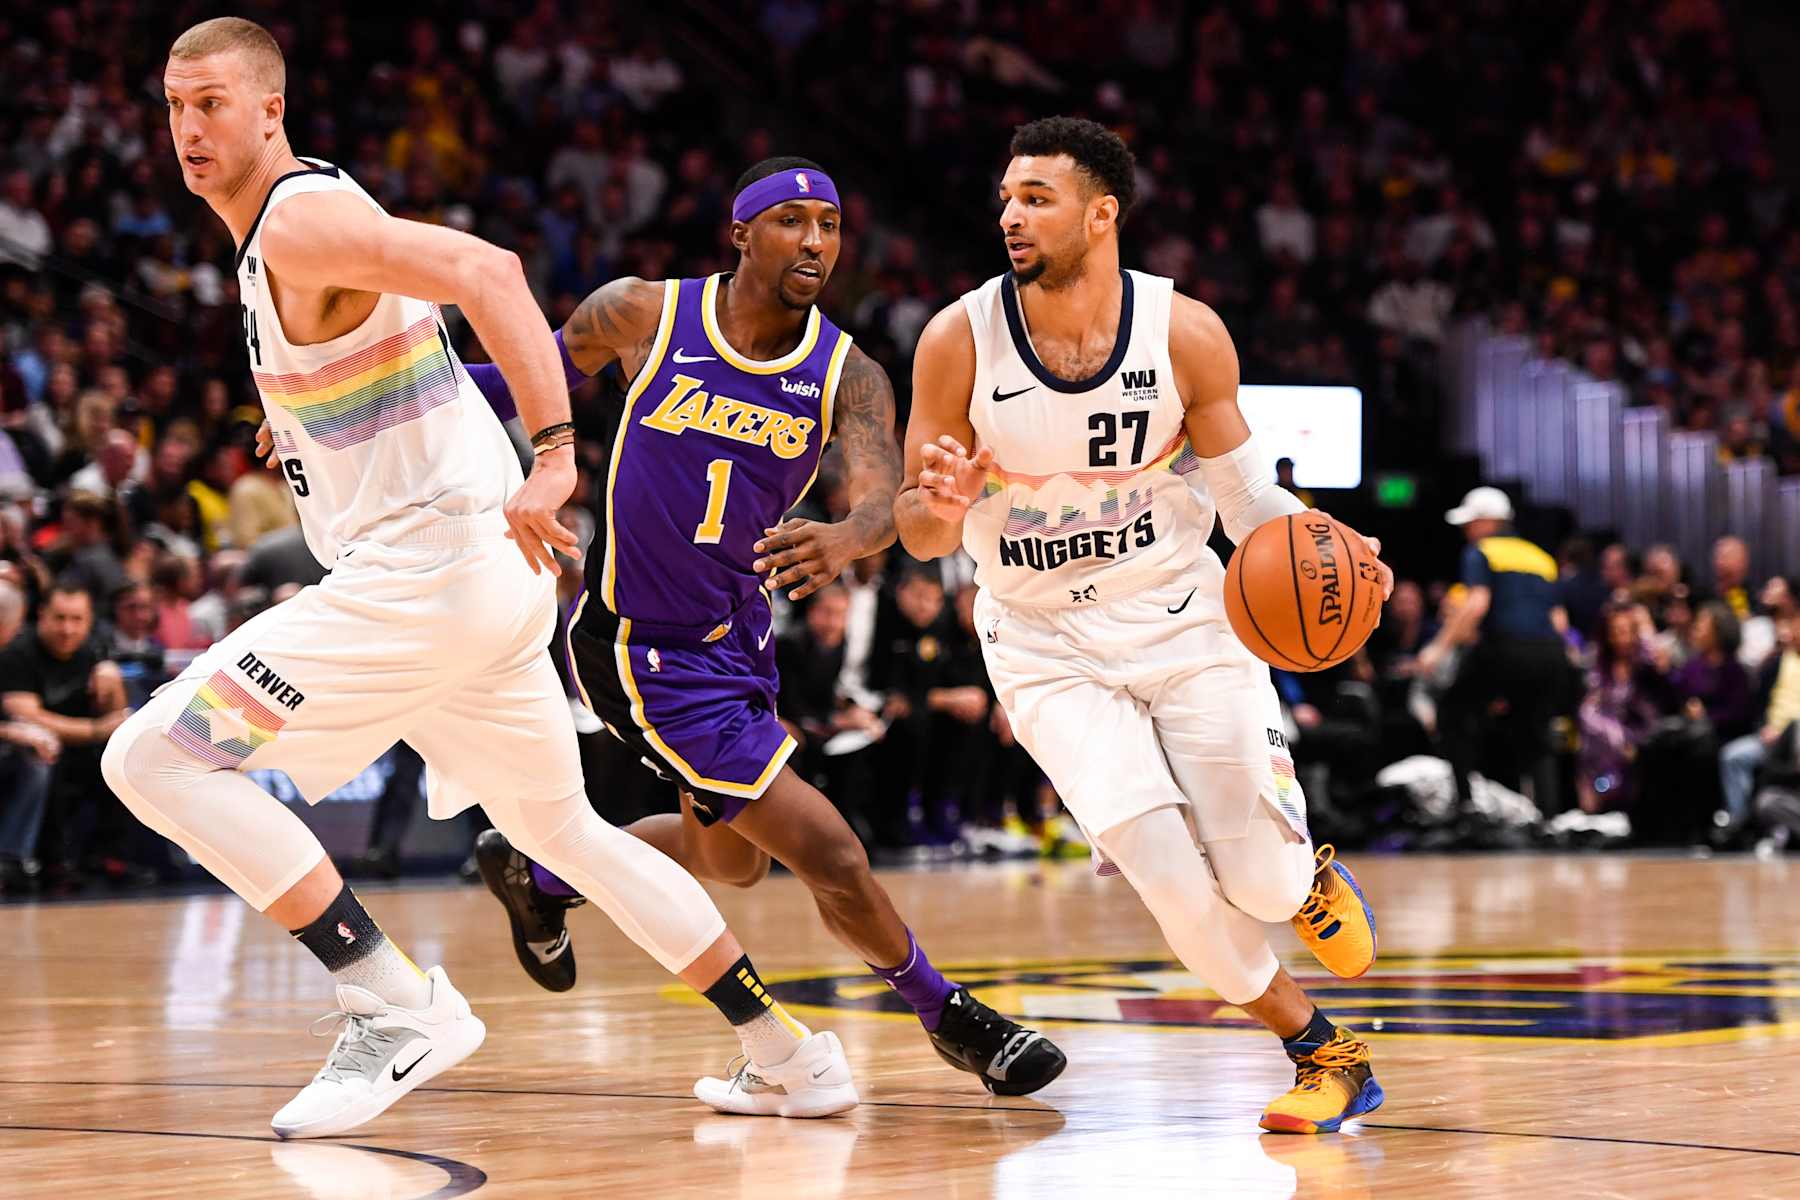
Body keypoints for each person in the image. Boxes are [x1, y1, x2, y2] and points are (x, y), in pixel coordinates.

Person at [102, 18, 853, 1142]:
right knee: (567, 835)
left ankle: (391, 1001)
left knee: (152, 756)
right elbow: (408, 357)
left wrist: (556, 454)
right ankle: (786, 1054)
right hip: (485, 583)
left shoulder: (302, 219)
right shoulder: (299, 221)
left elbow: (485, 270)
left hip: (427, 574)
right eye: (173, 105)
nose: (188, 127)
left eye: (211, 102)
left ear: (271, 108)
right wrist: (302, 421)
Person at [464, 155, 1067, 1102]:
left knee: (728, 863)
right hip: (638, 643)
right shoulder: (642, 313)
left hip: (738, 641)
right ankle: (950, 1018)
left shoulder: (847, 375)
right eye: (792, 221)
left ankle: (541, 876)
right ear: (742, 233)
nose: (816, 244)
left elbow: (882, 501)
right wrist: (346, 413)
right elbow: (502, 381)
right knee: (830, 851)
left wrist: (844, 536)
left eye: (829, 226)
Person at [895, 117, 1388, 1134]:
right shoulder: (958, 339)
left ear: (1102, 212)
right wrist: (936, 506)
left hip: (1185, 619)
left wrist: (1337, 548)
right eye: (1006, 198)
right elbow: (915, 530)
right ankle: (1325, 1052)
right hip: (1042, 644)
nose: (1011, 215)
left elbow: (1250, 508)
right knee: (1170, 885)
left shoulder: (1184, 333)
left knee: (1255, 881)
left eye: (1037, 197)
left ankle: (1300, 874)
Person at [1417, 486, 1573, 803]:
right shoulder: (1541, 557)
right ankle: (1548, 819)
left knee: (1451, 714)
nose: (1465, 530)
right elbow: (1559, 621)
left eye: (1470, 522)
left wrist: (1438, 648)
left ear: (1489, 521)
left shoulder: (1481, 551)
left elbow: (1477, 604)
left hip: (1506, 648)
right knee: (1537, 734)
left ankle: (1468, 806)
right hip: (1550, 653)